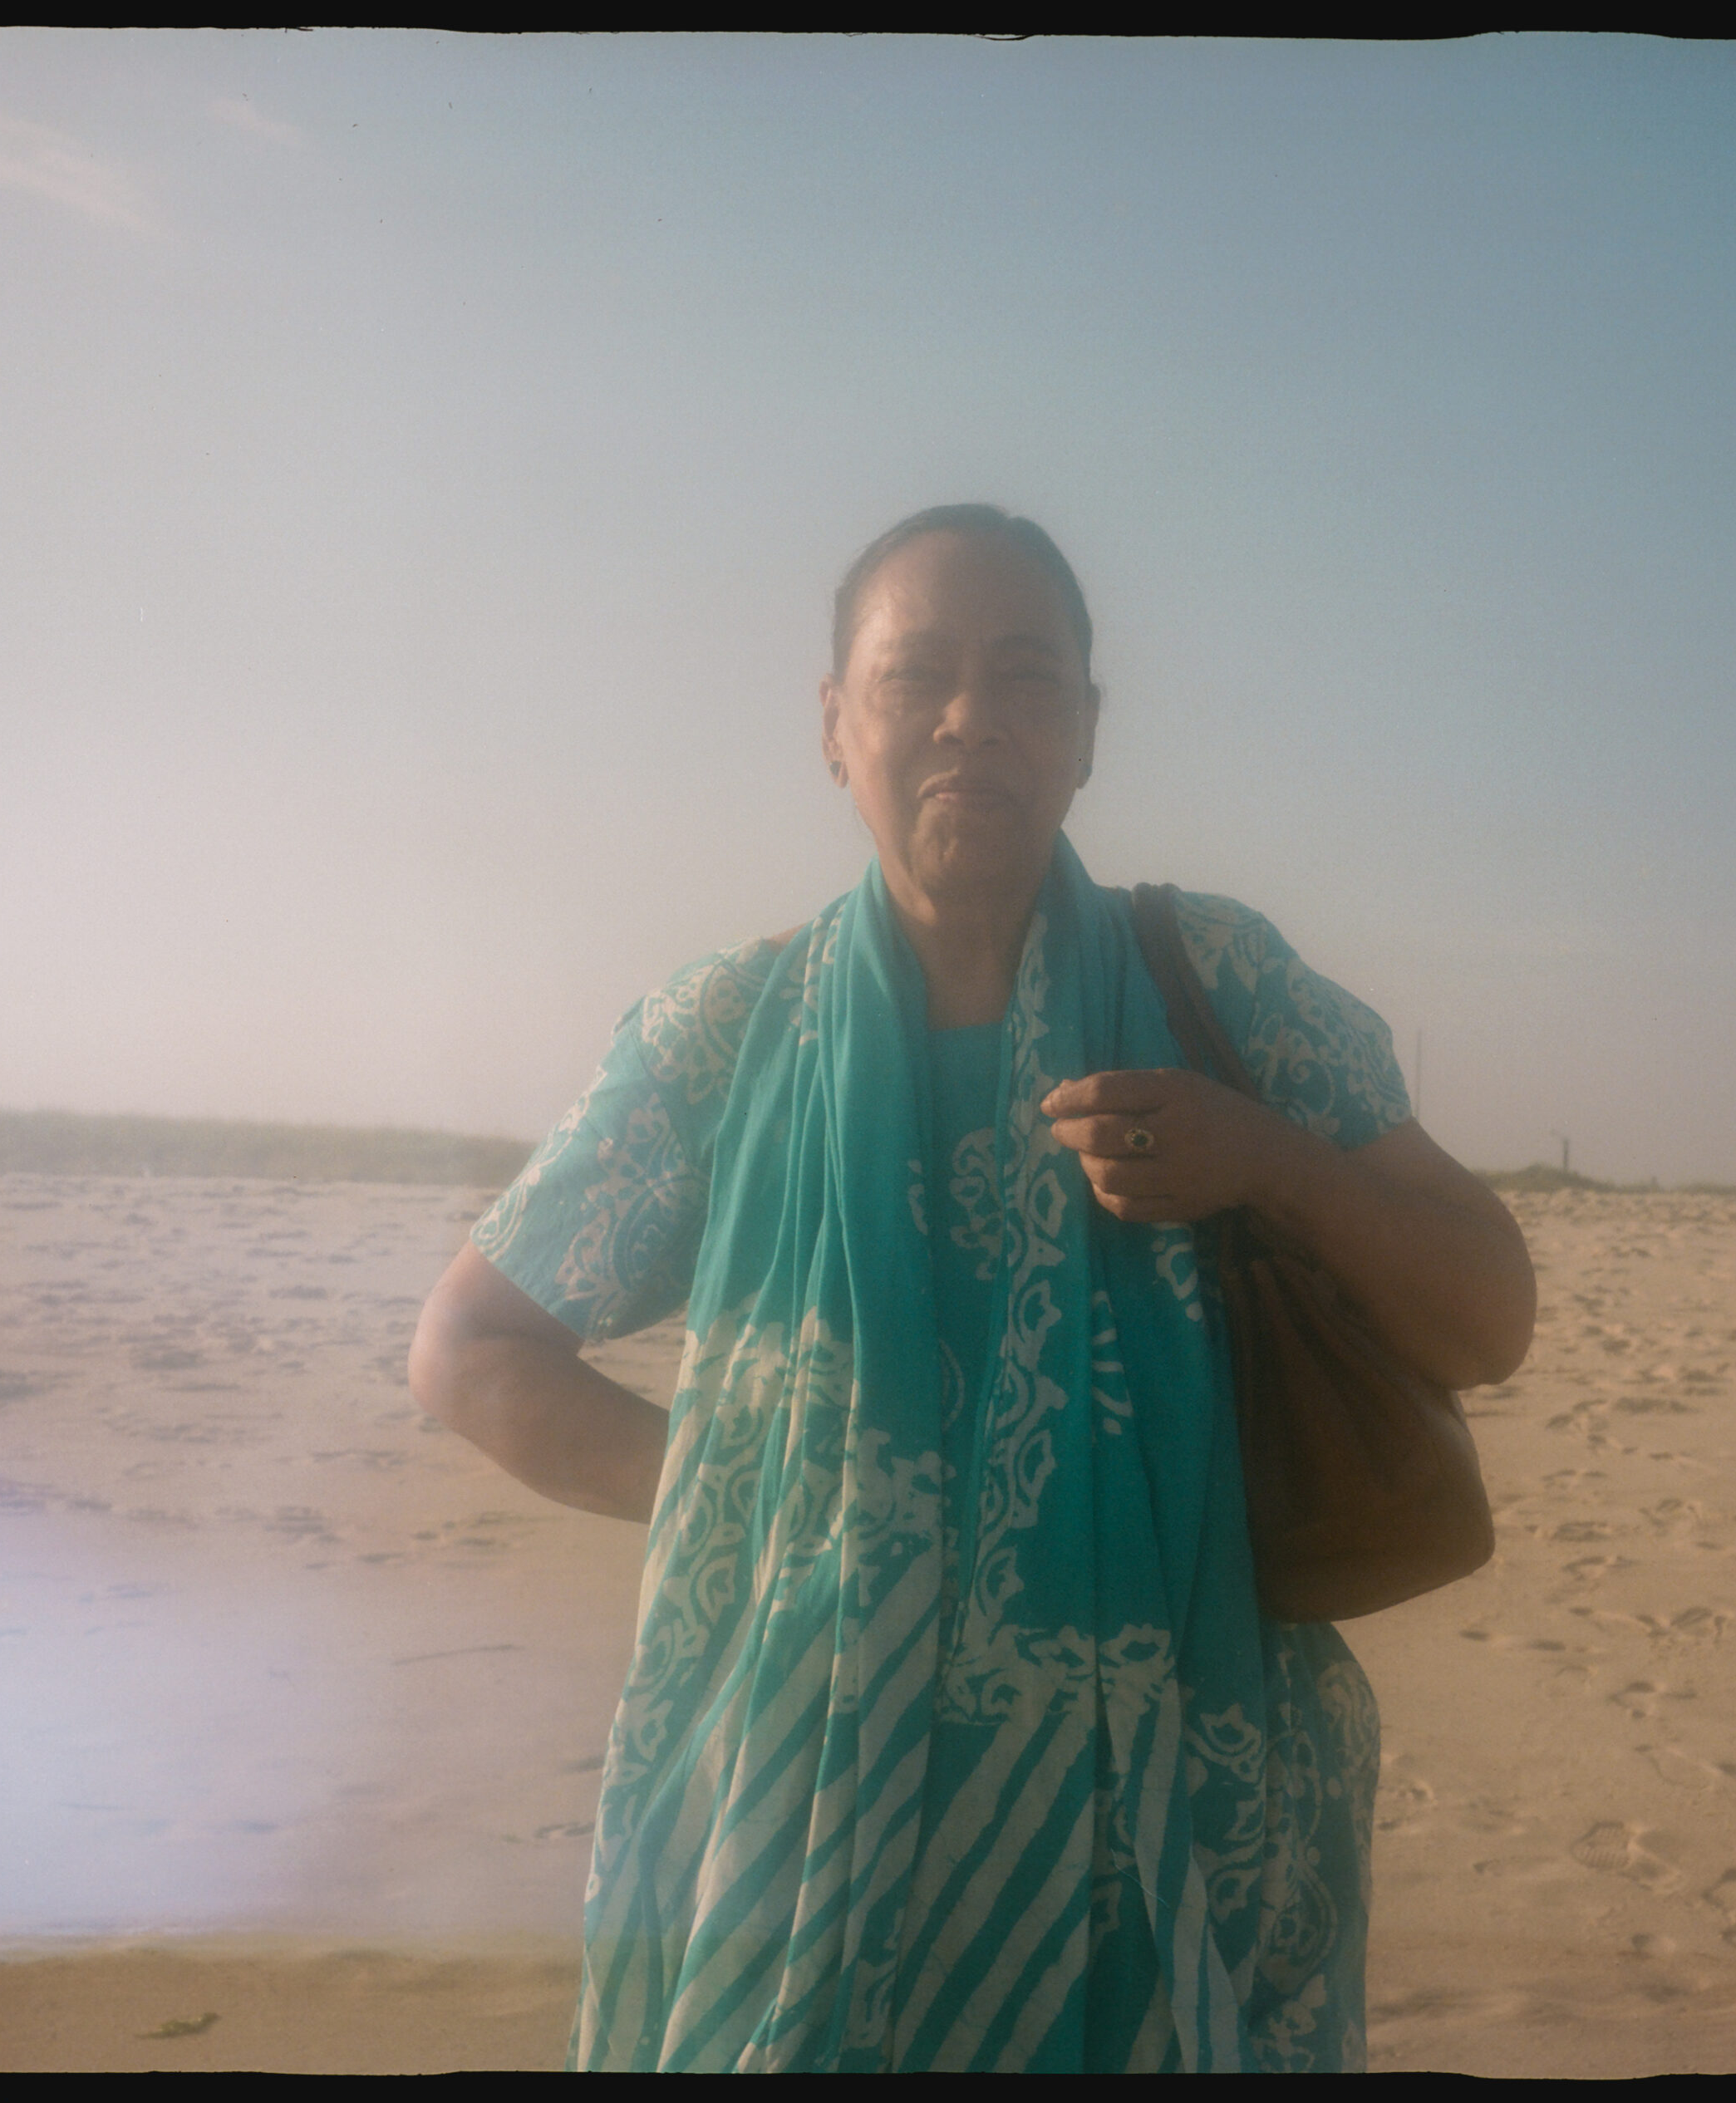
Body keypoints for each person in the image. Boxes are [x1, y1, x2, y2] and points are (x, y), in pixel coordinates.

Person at [409, 504, 1535, 2073]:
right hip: (811, 1839)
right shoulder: (723, 1038)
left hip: (1201, 1852)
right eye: (916, 672)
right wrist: (756, 1492)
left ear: (1085, 729)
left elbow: (1490, 1313)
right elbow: (471, 1351)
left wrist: (1268, 1159)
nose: (969, 717)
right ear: (833, 722)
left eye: (1024, 676)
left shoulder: (1222, 984)